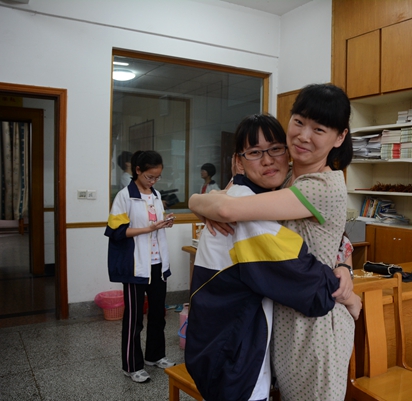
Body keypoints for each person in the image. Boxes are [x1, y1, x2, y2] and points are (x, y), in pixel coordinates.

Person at [188, 83, 355, 400]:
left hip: (314, 325)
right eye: (299, 122)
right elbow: (338, 239)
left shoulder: (321, 185)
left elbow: (227, 207)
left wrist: (202, 203)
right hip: (281, 320)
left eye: (319, 129)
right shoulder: (285, 176)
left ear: (339, 137)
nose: (303, 136)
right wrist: (201, 204)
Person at [104, 150, 176, 383]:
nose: (153, 181)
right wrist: (149, 228)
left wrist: (165, 223)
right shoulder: (125, 196)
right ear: (137, 170)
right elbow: (116, 232)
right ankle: (131, 365)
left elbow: (155, 223)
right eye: (149, 176)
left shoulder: (155, 194)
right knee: (134, 319)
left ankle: (155, 355)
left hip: (157, 263)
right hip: (136, 265)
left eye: (157, 177)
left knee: (158, 314)